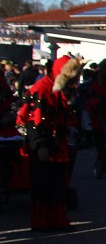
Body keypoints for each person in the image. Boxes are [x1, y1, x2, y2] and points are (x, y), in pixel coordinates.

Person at [16, 55, 83, 231]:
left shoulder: (61, 88)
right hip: (42, 145)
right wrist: (40, 144)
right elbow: (29, 119)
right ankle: (41, 221)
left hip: (58, 145)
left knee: (59, 184)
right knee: (42, 185)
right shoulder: (42, 88)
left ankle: (58, 219)